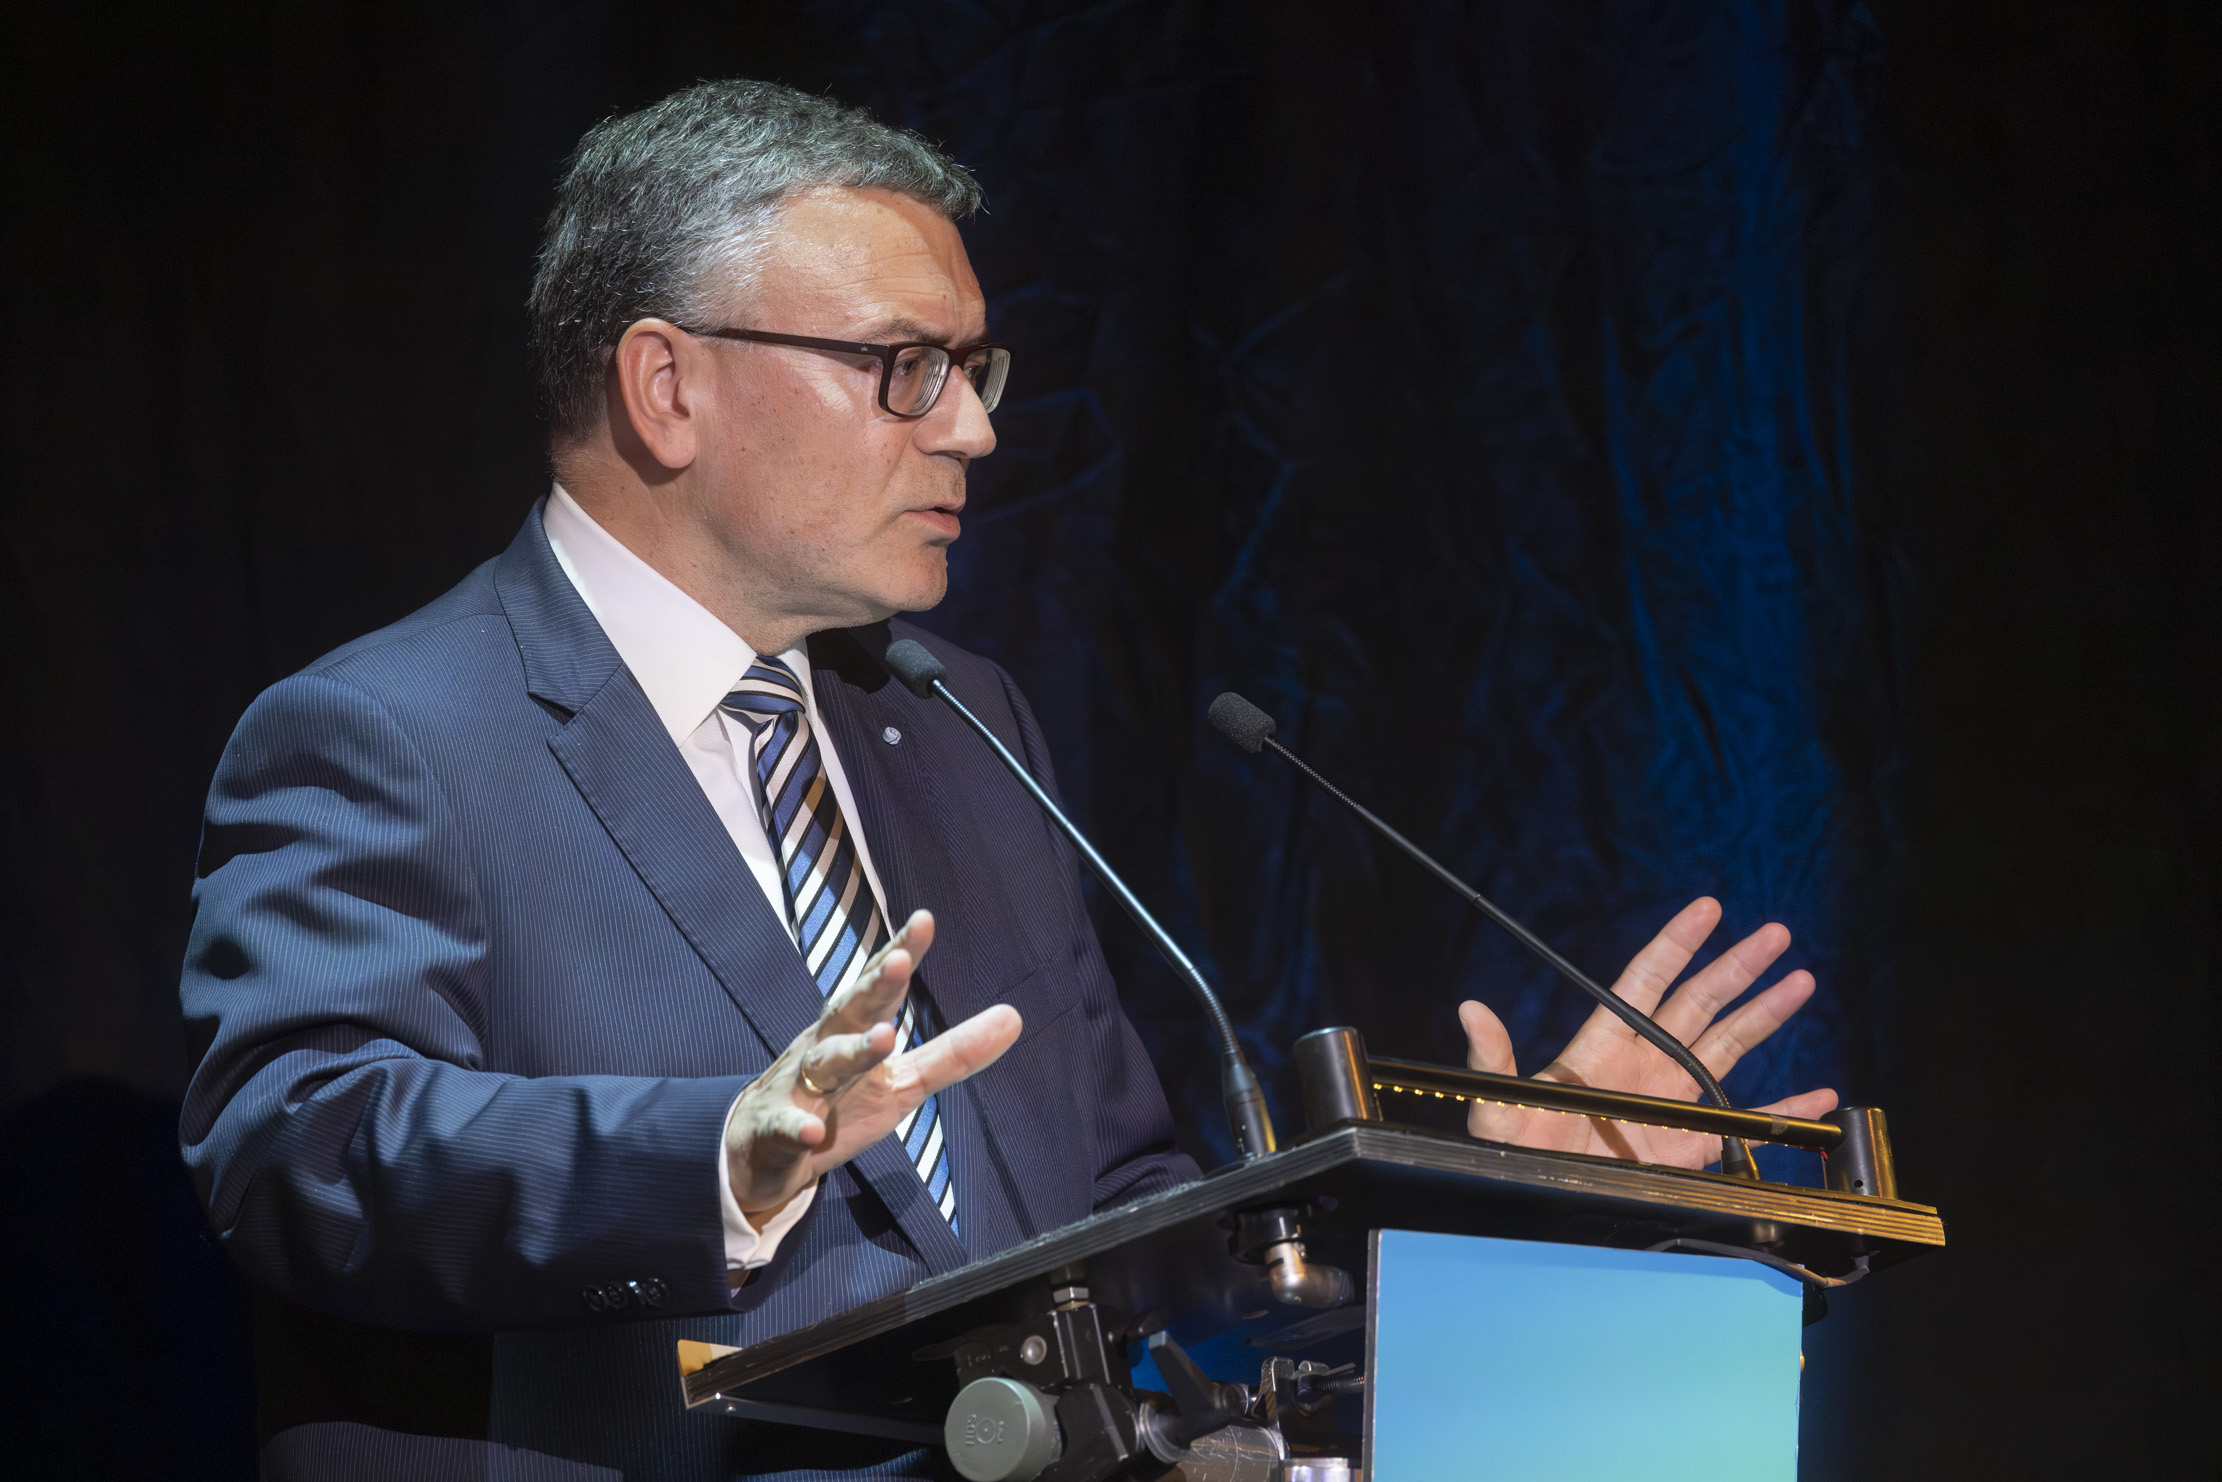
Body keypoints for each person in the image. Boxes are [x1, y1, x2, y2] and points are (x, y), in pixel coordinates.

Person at [178, 80, 1837, 1482]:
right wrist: (728, 1151)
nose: (969, 429)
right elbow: (301, 1149)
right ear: (667, 387)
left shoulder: (951, 718)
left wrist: (1465, 1193)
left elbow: (1115, 1215)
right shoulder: (392, 729)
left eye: (976, 370)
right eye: (905, 366)